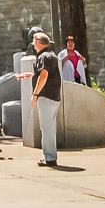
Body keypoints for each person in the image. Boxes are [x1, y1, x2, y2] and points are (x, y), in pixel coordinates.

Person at [30, 32, 62, 168]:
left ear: (38, 42)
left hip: (46, 96)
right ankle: (50, 156)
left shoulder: (43, 56)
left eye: (33, 41)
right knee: (50, 128)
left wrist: (35, 94)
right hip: (54, 96)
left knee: (46, 128)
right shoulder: (51, 55)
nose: (32, 44)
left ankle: (49, 158)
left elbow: (43, 76)